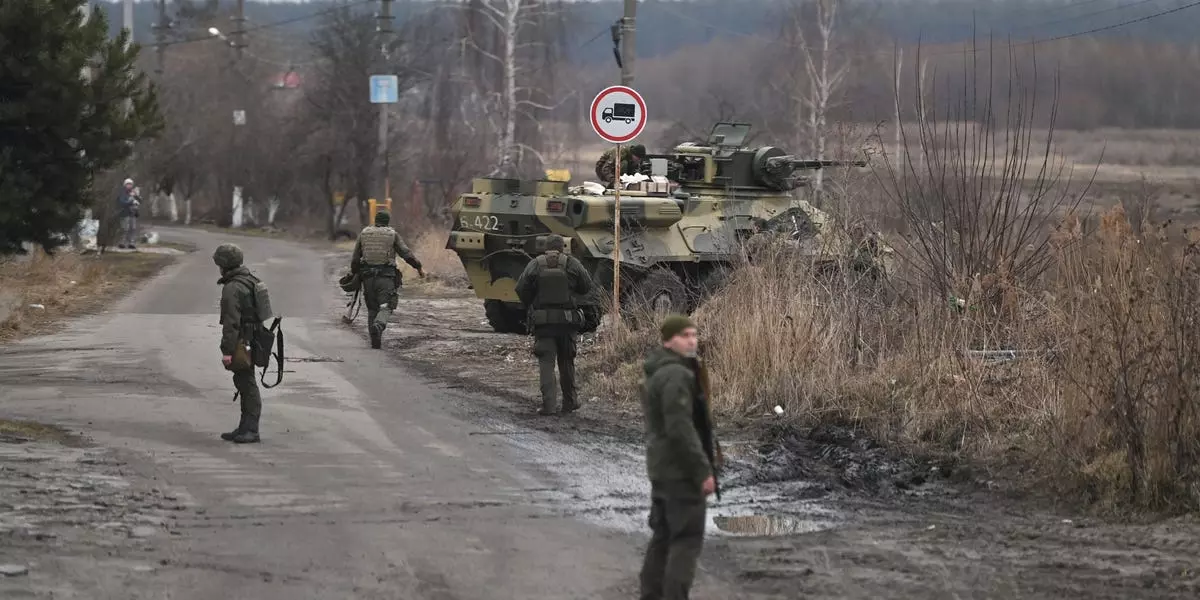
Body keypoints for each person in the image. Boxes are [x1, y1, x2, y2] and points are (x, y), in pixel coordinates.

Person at [639, 315, 718, 600]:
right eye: (685, 335)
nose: (692, 340)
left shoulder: (659, 370)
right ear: (668, 340)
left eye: (694, 335)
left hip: (662, 470)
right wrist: (702, 471)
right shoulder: (676, 375)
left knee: (662, 540)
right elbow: (680, 429)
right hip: (680, 473)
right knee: (684, 543)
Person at [514, 233, 593, 415]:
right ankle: (570, 402)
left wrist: (533, 305)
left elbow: (520, 288)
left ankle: (549, 406)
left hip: (544, 323)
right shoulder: (572, 263)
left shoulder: (535, 264)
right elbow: (587, 286)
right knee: (566, 362)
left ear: (545, 248)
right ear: (562, 247)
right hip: (567, 322)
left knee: (546, 364)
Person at [350, 209, 424, 349]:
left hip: (368, 278)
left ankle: (375, 342)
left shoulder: (364, 233)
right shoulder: (392, 235)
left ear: (375, 220)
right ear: (387, 221)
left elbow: (355, 258)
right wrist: (418, 267)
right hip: (386, 277)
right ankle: (379, 324)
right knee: (386, 306)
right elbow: (406, 254)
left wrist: (354, 273)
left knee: (372, 309)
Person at [213, 243, 264, 444]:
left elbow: (231, 323)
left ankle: (251, 429)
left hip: (242, 341)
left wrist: (227, 352)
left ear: (224, 264)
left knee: (247, 383)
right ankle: (244, 427)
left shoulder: (232, 288)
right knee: (245, 381)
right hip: (254, 338)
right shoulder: (251, 280)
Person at [117, 178, 140, 249]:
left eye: (131, 184)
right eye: (128, 184)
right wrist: (131, 202)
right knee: (125, 228)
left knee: (133, 228)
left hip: (133, 213)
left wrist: (137, 196)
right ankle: (122, 242)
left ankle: (131, 243)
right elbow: (122, 203)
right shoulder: (122, 193)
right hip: (124, 213)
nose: (129, 186)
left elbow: (139, 201)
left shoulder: (133, 193)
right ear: (125, 185)